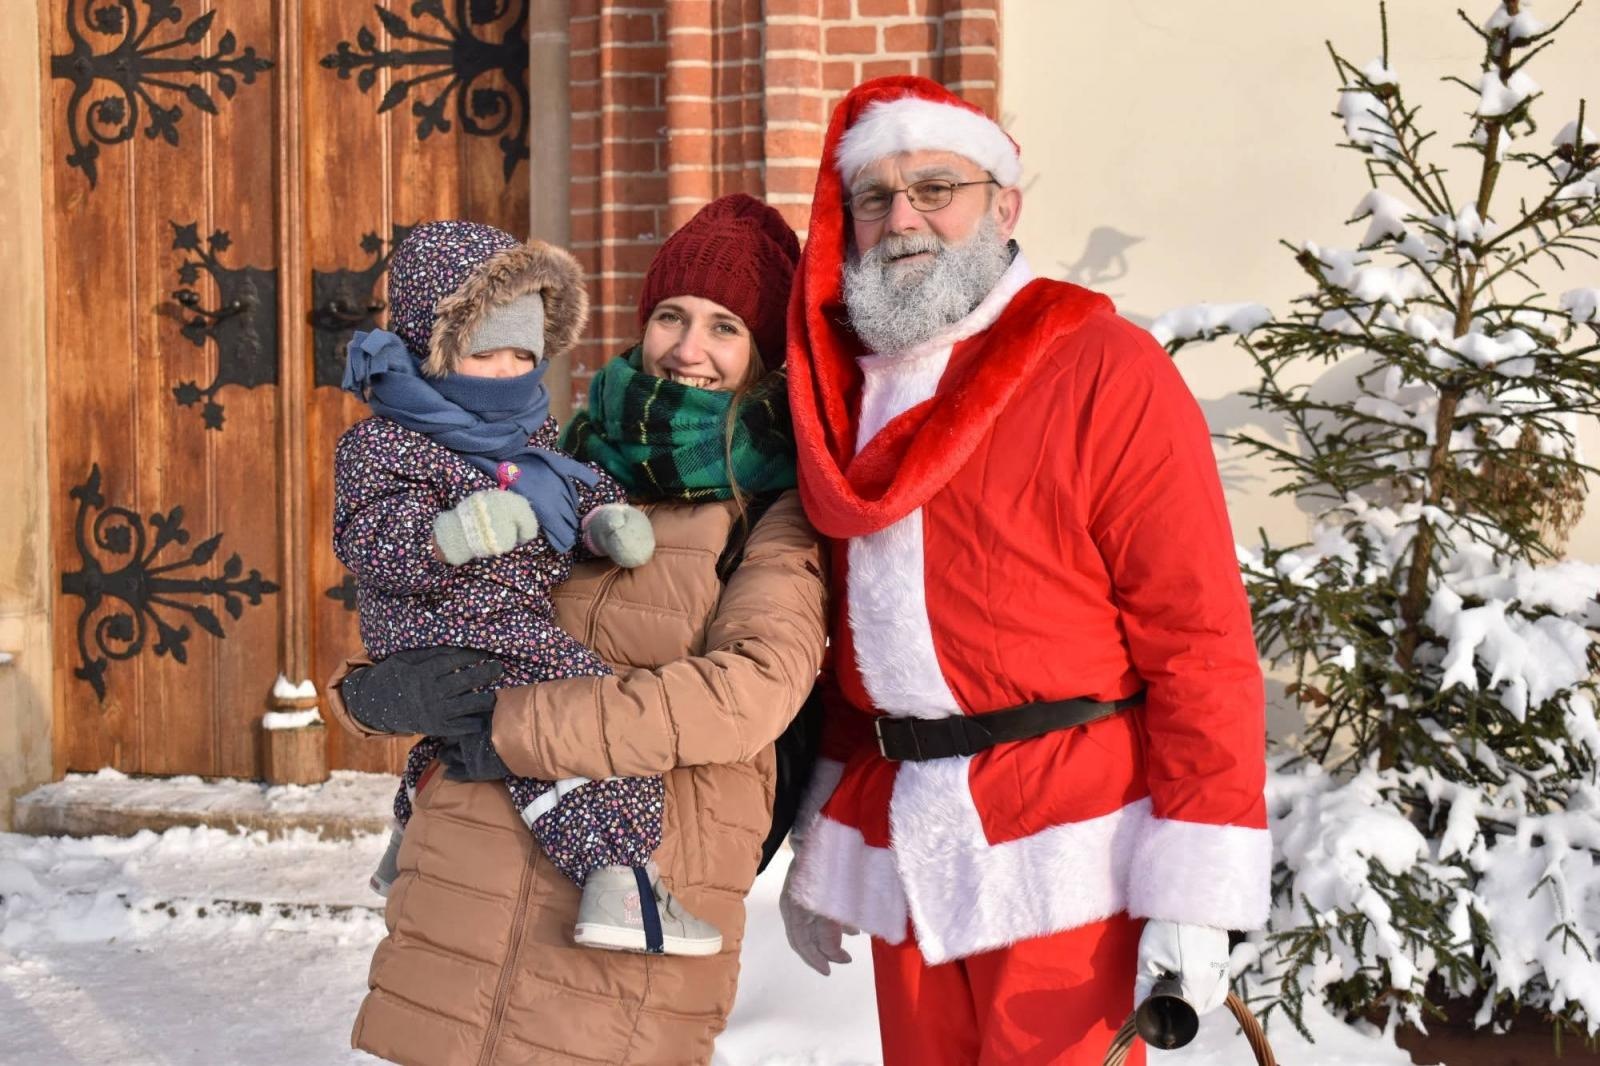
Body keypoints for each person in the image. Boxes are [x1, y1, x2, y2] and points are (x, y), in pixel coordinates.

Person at [778, 76, 1270, 1066]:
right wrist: (822, 832)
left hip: (1070, 848)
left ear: (1005, 204)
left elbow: (1200, 643)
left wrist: (1193, 890)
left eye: (934, 187)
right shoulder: (845, 396)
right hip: (905, 842)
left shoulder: (1102, 366)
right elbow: (851, 645)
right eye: (873, 198)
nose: (901, 217)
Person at [323, 194, 828, 1065]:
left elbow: (749, 695)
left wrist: (522, 726)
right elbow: (451, 610)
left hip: (632, 901)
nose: (688, 347)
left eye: (725, 328)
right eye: (671, 316)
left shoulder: (773, 512)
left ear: (764, 359)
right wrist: (368, 696)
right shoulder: (556, 462)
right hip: (461, 894)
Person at [335, 220, 725, 957]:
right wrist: (450, 536)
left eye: (524, 351)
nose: (511, 369)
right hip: (444, 621)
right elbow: (367, 537)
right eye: (487, 353)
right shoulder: (383, 443)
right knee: (578, 703)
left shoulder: (529, 438)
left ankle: (407, 837)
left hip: (506, 620)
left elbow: (570, 493)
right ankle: (620, 876)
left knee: (484, 731)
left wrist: (604, 523)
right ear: (433, 348)